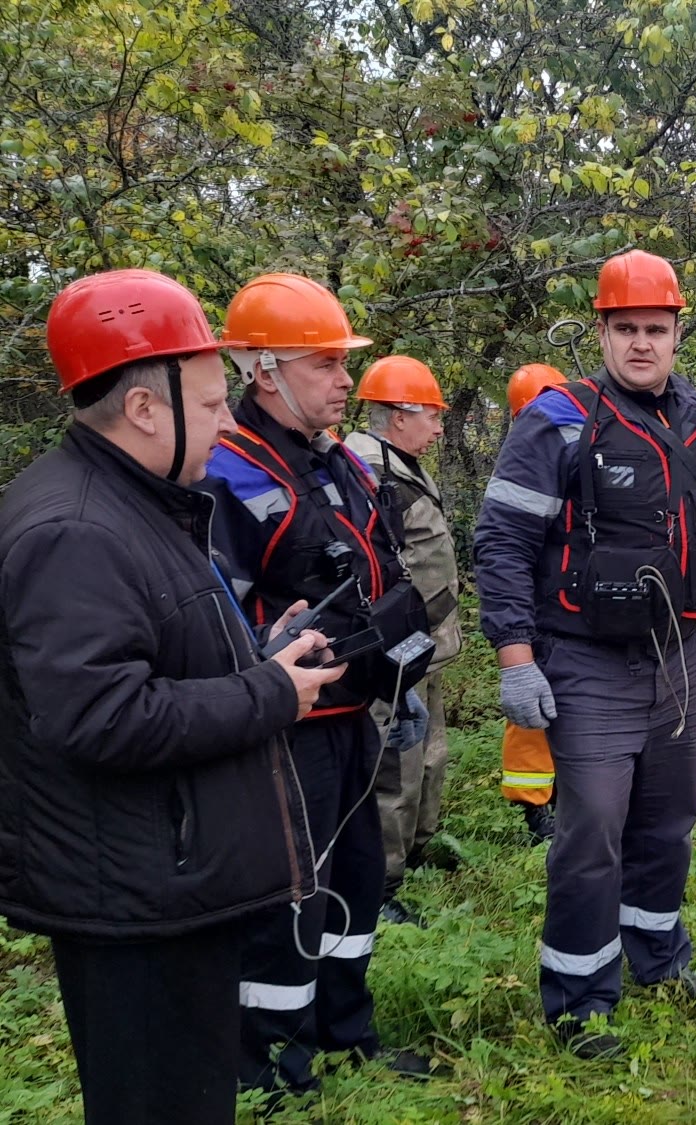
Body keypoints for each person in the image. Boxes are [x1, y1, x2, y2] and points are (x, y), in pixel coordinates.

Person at [0, 269, 341, 1124]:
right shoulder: (74, 527)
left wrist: (256, 654)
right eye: (214, 400)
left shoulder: (138, 502)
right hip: (132, 903)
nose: (229, 421)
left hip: (168, 880)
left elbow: (148, 660)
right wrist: (268, 692)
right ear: (147, 408)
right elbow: (98, 714)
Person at [474, 250, 696, 1059]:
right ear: (602, 332)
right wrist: (515, 656)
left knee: (670, 818)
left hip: (682, 654)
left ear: (679, 334)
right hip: (588, 658)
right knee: (593, 830)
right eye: (625, 329)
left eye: (655, 328)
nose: (640, 343)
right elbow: (503, 539)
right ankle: (578, 996)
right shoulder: (558, 420)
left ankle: (657, 954)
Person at [201, 272, 431, 1093]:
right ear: (264, 370)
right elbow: (211, 613)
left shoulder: (338, 464)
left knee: (357, 878)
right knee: (287, 898)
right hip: (281, 730)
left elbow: (377, 571)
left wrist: (398, 682)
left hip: (350, 716)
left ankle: (345, 1028)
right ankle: (269, 1065)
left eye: (344, 362)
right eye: (325, 363)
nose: (345, 381)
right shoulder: (225, 474)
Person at [347, 356, 465, 924]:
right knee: (394, 759)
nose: (441, 427)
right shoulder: (367, 474)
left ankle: (420, 844)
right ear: (399, 416)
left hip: (427, 645)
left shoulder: (403, 464)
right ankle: (381, 881)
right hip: (394, 651)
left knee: (429, 749)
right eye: (433, 416)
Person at [500, 362, 570, 843]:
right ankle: (532, 808)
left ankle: (567, 791)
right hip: (534, 604)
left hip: (573, 603)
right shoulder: (519, 461)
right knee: (531, 713)